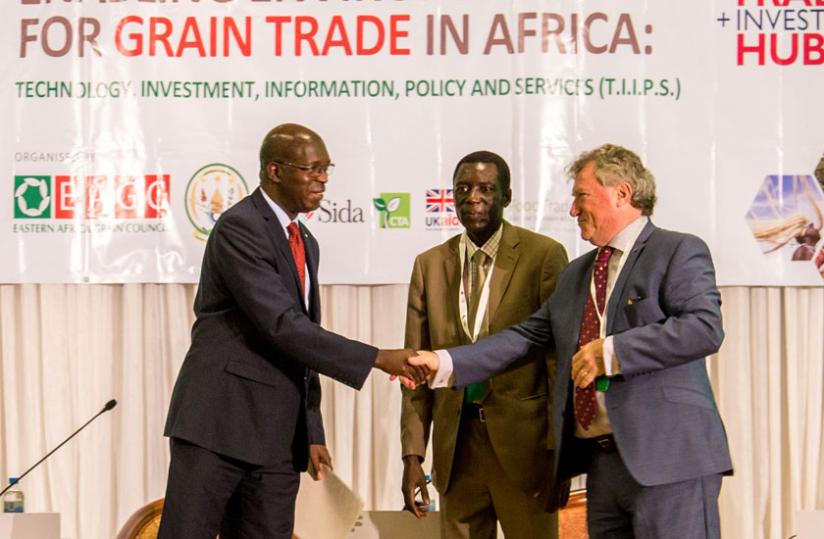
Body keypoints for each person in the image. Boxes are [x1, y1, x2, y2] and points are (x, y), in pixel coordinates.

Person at [413, 144, 732, 538]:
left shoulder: (677, 250)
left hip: (669, 462)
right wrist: (445, 362)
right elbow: (525, 336)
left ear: (621, 193)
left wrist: (611, 352)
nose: (572, 209)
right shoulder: (578, 274)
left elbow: (703, 327)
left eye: (580, 196)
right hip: (602, 464)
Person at [158, 123, 422, 539]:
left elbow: (302, 342)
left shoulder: (306, 241)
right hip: (219, 426)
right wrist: (377, 357)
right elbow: (282, 325)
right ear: (274, 171)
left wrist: (310, 430)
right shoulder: (239, 226)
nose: (322, 179)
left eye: (326, 169)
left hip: (277, 440)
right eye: (311, 168)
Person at [401, 151, 568, 538]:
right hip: (457, 450)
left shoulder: (543, 256)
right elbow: (413, 369)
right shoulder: (429, 265)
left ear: (506, 196)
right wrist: (413, 455)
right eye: (463, 188)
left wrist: (561, 453)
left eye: (486, 189)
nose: (473, 198)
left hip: (525, 453)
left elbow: (558, 361)